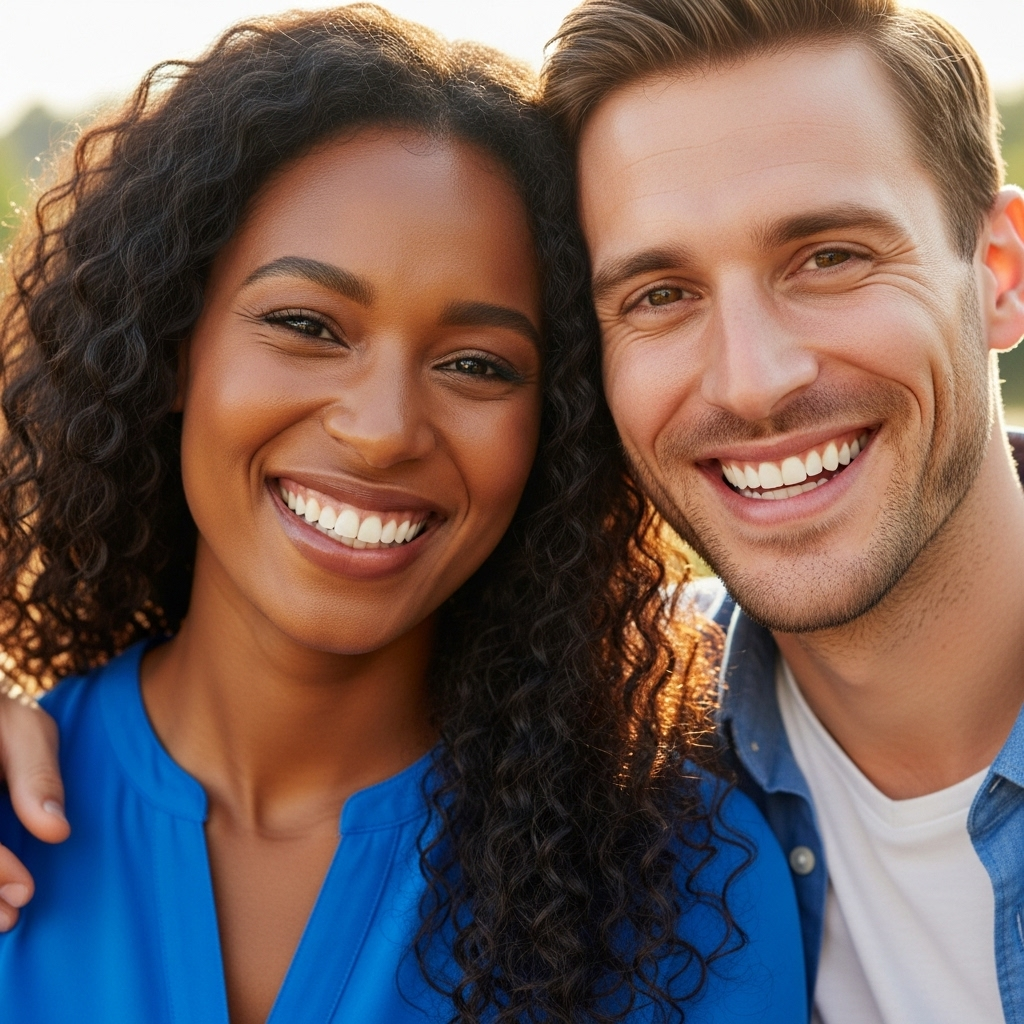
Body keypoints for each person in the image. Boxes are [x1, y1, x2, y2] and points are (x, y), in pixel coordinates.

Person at [0, 6, 805, 1023]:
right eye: (305, 325)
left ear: (554, 428)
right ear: (171, 348)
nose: (381, 431)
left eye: (477, 364)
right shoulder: (13, 820)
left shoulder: (687, 891)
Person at [542, 0, 1024, 1021]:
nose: (752, 381)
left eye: (830, 256)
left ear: (996, 275)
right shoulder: (598, 780)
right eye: (659, 294)